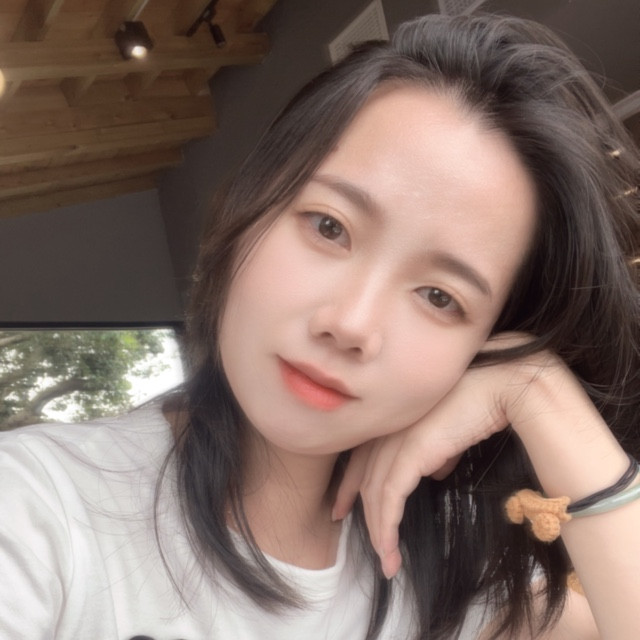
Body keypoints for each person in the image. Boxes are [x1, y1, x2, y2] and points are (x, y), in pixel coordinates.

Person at [1, 12, 639, 640]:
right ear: (249, 206)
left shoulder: (450, 563)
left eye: (440, 297)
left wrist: (540, 392)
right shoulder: (38, 509)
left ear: (482, 346)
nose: (351, 323)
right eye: (329, 226)